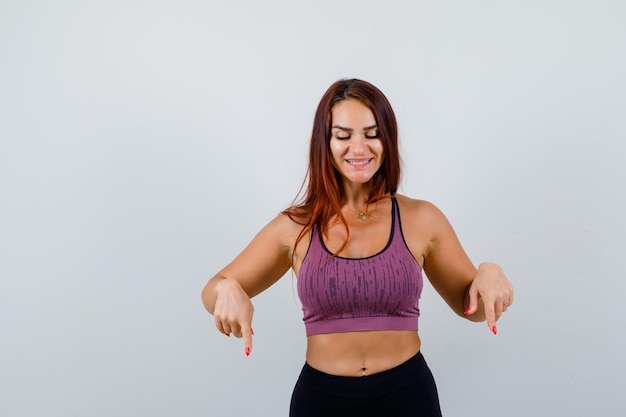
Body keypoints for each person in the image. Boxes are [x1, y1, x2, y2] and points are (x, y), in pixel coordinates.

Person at [201, 78, 514, 416]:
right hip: (321, 401)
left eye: (371, 133)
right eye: (344, 135)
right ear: (326, 142)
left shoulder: (423, 219)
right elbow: (211, 291)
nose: (359, 148)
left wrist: (489, 272)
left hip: (409, 397)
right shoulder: (294, 227)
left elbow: (474, 307)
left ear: (387, 138)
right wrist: (227, 288)